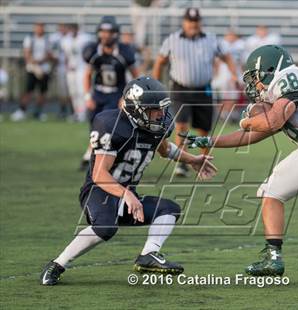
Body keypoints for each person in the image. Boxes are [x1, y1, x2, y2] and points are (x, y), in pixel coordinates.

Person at [185, 45, 298, 295]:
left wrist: (246, 118)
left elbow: (271, 121)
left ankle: (273, 256)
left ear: (269, 69)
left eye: (255, 77)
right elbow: (252, 135)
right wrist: (210, 141)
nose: (256, 86)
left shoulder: (287, 77)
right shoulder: (289, 89)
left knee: (271, 191)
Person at [40, 76, 217, 286]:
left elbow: (164, 148)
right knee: (106, 228)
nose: (161, 114)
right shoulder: (112, 125)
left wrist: (192, 159)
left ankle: (148, 255)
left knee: (169, 209)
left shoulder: (155, 127)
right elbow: (99, 174)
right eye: (154, 109)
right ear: (136, 108)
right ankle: (57, 264)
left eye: (162, 108)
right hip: (99, 192)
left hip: (126, 195)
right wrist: (126, 193)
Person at [152, 8, 238, 177]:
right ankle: (182, 163)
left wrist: (234, 73)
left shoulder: (211, 39)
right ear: (184, 22)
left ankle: (204, 160)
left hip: (203, 89)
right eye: (190, 21)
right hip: (180, 88)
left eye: (196, 21)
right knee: (181, 125)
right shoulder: (172, 40)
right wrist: (155, 84)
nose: (193, 24)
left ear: (200, 22)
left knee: (203, 129)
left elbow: (227, 56)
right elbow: (160, 61)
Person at [80, 16, 140, 170]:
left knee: (108, 127)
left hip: (117, 94)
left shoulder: (124, 52)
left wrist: (126, 97)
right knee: (94, 125)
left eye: (109, 32)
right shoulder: (94, 51)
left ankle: (95, 156)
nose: (106, 35)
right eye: (103, 32)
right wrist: (88, 96)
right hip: (99, 93)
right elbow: (87, 75)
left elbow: (137, 78)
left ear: (116, 33)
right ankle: (92, 153)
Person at [11, 22, 52, 121]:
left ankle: (38, 112)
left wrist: (40, 62)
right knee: (28, 91)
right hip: (32, 68)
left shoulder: (46, 40)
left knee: (42, 92)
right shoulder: (30, 38)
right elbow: (27, 53)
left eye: (41, 27)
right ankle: (22, 110)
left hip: (44, 69)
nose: (40, 29)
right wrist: (35, 64)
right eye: (38, 27)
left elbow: (48, 54)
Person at [61, 23, 93, 122]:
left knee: (81, 91)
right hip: (71, 69)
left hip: (82, 68)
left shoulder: (85, 38)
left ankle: (82, 113)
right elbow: (66, 56)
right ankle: (76, 112)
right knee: (73, 92)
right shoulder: (66, 40)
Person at [212, 29, 245, 122]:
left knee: (234, 95)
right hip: (223, 72)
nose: (230, 37)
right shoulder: (222, 44)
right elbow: (217, 61)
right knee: (223, 94)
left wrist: (241, 73)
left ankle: (229, 113)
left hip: (235, 71)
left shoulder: (240, 45)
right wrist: (216, 73)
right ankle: (223, 113)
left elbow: (241, 62)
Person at [49, 23, 71, 119]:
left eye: (64, 26)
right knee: (62, 91)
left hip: (71, 68)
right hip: (60, 66)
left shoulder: (70, 38)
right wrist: (54, 60)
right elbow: (50, 51)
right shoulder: (54, 38)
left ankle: (74, 111)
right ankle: (63, 110)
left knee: (72, 91)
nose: (62, 28)